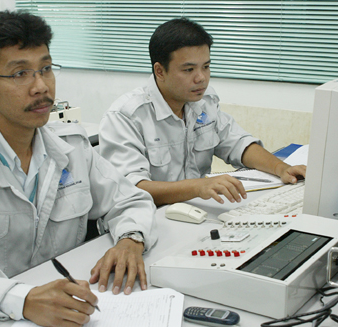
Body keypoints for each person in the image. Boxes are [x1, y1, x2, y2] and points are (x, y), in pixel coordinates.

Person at [0, 11, 157, 327]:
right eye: (20, 73)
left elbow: (130, 200)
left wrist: (130, 240)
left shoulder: (72, 146)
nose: (41, 86)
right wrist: (21, 299)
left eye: (46, 69)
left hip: (66, 312)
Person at [98, 18, 306, 206]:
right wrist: (198, 187)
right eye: (189, 70)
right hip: (148, 216)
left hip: (195, 209)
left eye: (206, 67)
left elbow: (237, 143)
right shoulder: (126, 116)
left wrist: (281, 169)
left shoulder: (203, 102)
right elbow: (132, 189)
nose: (201, 78)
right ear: (160, 71)